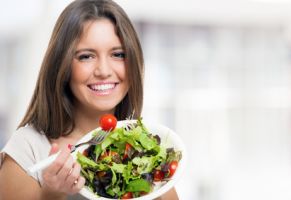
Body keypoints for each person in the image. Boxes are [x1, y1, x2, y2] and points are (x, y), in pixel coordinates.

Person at [0, 0, 179, 199]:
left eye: (118, 54)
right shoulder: (28, 148)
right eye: (86, 56)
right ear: (63, 65)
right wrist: (52, 194)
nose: (103, 71)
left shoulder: (143, 149)